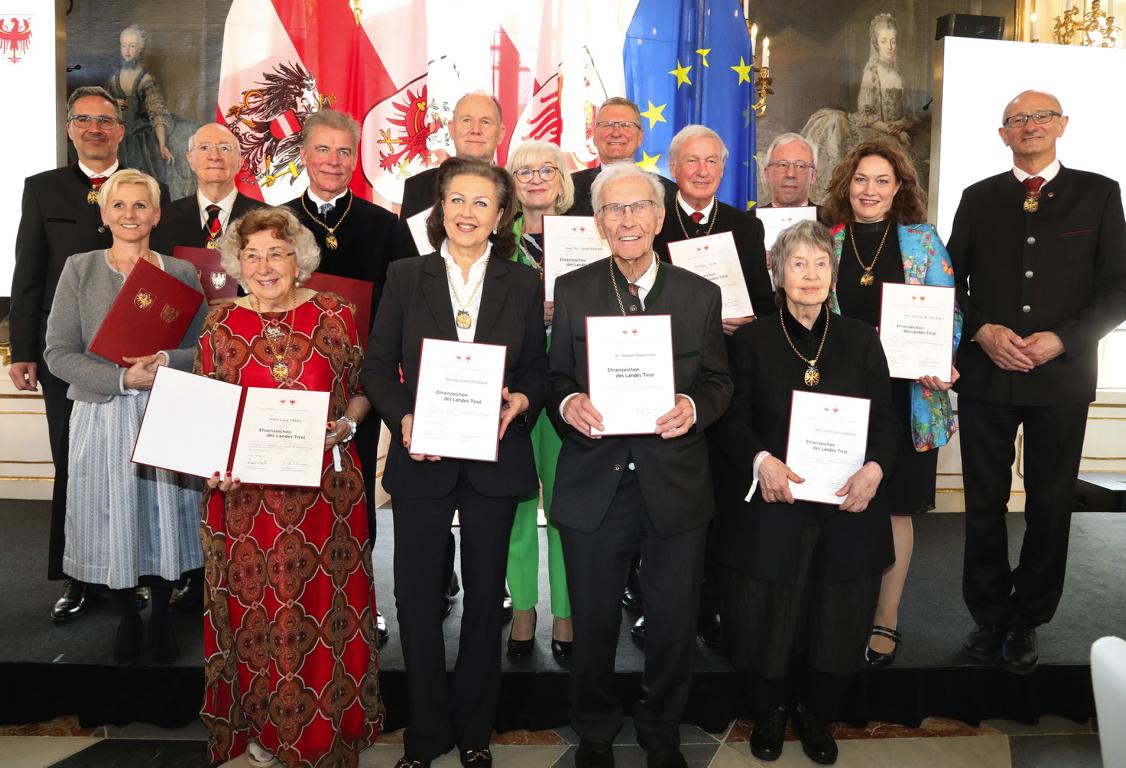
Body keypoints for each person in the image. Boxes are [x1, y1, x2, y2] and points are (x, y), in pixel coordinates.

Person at [362, 157, 546, 768]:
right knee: (414, 597)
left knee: (486, 598)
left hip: (495, 457)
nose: (467, 213)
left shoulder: (522, 283)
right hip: (425, 455)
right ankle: (426, 731)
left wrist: (521, 400)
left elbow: (536, 370)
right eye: (457, 201)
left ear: (501, 216)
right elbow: (376, 364)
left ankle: (474, 731)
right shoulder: (405, 275)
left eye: (481, 203)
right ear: (440, 209)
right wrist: (404, 419)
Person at [547, 163, 732, 768]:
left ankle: (661, 733)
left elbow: (718, 380)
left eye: (638, 208)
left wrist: (693, 406)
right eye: (614, 211)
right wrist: (568, 401)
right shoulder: (573, 291)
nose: (627, 220)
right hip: (594, 483)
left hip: (674, 483)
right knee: (594, 622)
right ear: (598, 223)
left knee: (675, 625)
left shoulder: (699, 294)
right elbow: (554, 379)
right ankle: (595, 733)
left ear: (658, 217)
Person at [198, 206, 383, 768]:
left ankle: (331, 725)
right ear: (236, 263)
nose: (263, 265)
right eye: (250, 255)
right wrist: (213, 463)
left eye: (276, 252)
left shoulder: (336, 314)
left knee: (326, 608)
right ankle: (266, 729)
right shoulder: (220, 322)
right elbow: (209, 411)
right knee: (261, 611)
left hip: (326, 490)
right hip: (247, 499)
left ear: (298, 258)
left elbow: (359, 390)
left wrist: (348, 425)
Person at [948, 90, 1126, 674]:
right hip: (987, 378)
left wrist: (1063, 339)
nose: (1030, 126)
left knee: (1050, 505)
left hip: (1062, 378)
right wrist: (981, 333)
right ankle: (987, 615)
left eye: (1040, 117)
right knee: (984, 505)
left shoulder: (1100, 194)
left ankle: (1028, 621)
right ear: (1002, 135)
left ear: (1062, 125)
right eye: (1017, 120)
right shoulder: (978, 198)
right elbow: (950, 285)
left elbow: (1117, 288)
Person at [711, 219, 899, 764]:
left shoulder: (863, 341)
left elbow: (886, 420)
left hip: (847, 502)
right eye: (798, 264)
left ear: (834, 274)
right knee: (767, 611)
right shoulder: (750, 340)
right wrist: (762, 461)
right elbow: (732, 420)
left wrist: (875, 469)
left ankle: (817, 714)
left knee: (836, 613)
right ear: (777, 273)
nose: (810, 275)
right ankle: (768, 711)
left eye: (820, 264)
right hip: (776, 500)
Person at [10, 85, 170, 623]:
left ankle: (142, 569)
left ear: (121, 130)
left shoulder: (152, 189)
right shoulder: (42, 189)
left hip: (143, 364)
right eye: (84, 120)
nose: (95, 129)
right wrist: (22, 349)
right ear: (70, 127)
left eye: (106, 120)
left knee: (142, 470)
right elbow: (28, 273)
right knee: (73, 468)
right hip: (71, 358)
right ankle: (78, 575)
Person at [42, 169, 206, 664]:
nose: (130, 215)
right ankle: (127, 616)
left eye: (141, 206)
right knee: (112, 515)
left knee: (163, 516)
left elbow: (204, 350)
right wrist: (120, 380)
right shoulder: (80, 269)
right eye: (120, 205)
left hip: (165, 410)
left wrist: (166, 362)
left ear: (157, 215)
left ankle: (159, 611)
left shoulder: (180, 274)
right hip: (104, 412)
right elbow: (57, 353)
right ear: (104, 213)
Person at [820, 140, 961, 667]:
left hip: (910, 400)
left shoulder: (922, 241)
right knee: (839, 503)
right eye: (861, 179)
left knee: (896, 508)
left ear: (898, 187)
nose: (870, 190)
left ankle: (886, 618)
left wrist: (943, 356)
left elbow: (949, 313)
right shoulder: (827, 240)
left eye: (882, 180)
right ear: (846, 185)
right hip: (841, 400)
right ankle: (839, 612)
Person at [643, 124, 772, 648]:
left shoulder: (746, 225)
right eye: (690, 162)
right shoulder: (654, 219)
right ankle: (660, 607)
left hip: (725, 380)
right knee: (662, 500)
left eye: (711, 162)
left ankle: (713, 606)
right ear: (674, 168)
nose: (701, 171)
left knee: (721, 497)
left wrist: (743, 320)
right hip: (663, 375)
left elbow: (764, 301)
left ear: (724, 168)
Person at [285, 109, 399, 641]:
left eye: (344, 152)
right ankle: (294, 597)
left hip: (360, 386)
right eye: (323, 150)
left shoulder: (384, 226)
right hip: (287, 382)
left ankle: (363, 599)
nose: (333, 161)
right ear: (304, 155)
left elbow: (402, 307)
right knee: (292, 496)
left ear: (357, 159)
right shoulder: (275, 221)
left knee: (354, 495)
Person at [503, 140, 575, 663]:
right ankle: (524, 609)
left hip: (574, 387)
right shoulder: (494, 239)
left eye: (545, 169)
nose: (535, 177)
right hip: (514, 389)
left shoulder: (589, 235)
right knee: (518, 504)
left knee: (569, 507)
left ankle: (567, 614)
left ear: (561, 178)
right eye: (523, 170)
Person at [801, 13, 928, 204]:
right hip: (877, 131)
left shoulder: (898, 74)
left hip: (895, 134)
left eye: (893, 41)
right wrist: (892, 130)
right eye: (884, 41)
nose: (890, 46)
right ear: (876, 43)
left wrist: (901, 125)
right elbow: (866, 113)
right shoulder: (871, 73)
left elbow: (909, 111)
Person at [106, 24, 196, 199]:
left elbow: (157, 113)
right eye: (124, 45)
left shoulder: (145, 80)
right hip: (117, 139)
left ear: (139, 50)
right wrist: (112, 103)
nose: (127, 50)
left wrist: (162, 145)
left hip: (141, 141)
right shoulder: (114, 79)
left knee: (143, 188)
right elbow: (101, 107)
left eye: (132, 46)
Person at [151, 122, 262, 255]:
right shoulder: (164, 219)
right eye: (204, 147)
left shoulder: (266, 219)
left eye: (225, 148)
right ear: (190, 160)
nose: (215, 156)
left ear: (240, 162)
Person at [400, 91, 507, 221]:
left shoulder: (515, 191)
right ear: (451, 129)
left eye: (485, 122)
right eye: (467, 120)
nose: (475, 130)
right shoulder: (417, 188)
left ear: (500, 134)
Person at [569, 97, 678, 217]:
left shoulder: (668, 193)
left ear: (640, 137)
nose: (616, 133)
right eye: (607, 125)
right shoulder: (569, 188)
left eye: (626, 125)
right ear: (594, 136)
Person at [759, 133, 819, 209]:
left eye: (800, 166)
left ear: (813, 176)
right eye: (783, 165)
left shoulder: (832, 219)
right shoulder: (745, 220)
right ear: (767, 174)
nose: (790, 174)